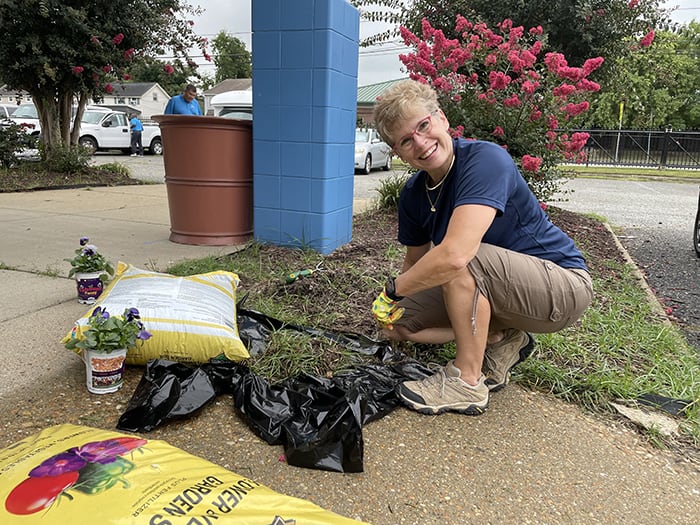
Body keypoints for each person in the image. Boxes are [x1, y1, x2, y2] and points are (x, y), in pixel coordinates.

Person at [371, 79, 594, 416]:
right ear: (398, 152)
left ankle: (467, 382)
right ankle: (499, 338)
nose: (420, 142)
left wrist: (392, 292)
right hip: (499, 286)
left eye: (423, 126)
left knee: (457, 260)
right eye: (405, 140)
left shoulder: (484, 160)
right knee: (403, 322)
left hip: (561, 286)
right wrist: (397, 311)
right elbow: (415, 264)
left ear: (442, 119)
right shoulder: (414, 194)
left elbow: (455, 255)